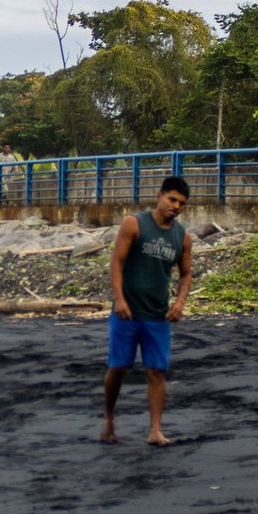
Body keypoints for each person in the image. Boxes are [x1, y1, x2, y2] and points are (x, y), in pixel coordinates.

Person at [102, 175, 193, 446]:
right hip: (127, 312)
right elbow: (117, 262)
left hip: (157, 315)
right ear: (159, 196)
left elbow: (186, 275)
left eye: (182, 203)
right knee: (118, 367)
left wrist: (179, 303)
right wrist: (119, 300)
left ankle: (155, 430)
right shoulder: (134, 224)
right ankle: (109, 417)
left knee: (157, 371)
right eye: (172, 199)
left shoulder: (183, 237)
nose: (176, 206)